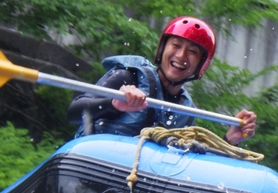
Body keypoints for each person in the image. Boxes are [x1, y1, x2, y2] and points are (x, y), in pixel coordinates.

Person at [67, 16, 256, 145]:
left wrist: (229, 139)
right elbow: (74, 113)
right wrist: (114, 104)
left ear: (200, 65)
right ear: (162, 49)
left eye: (192, 52)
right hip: (93, 168)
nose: (181, 56)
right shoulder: (127, 77)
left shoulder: (185, 111)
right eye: (176, 45)